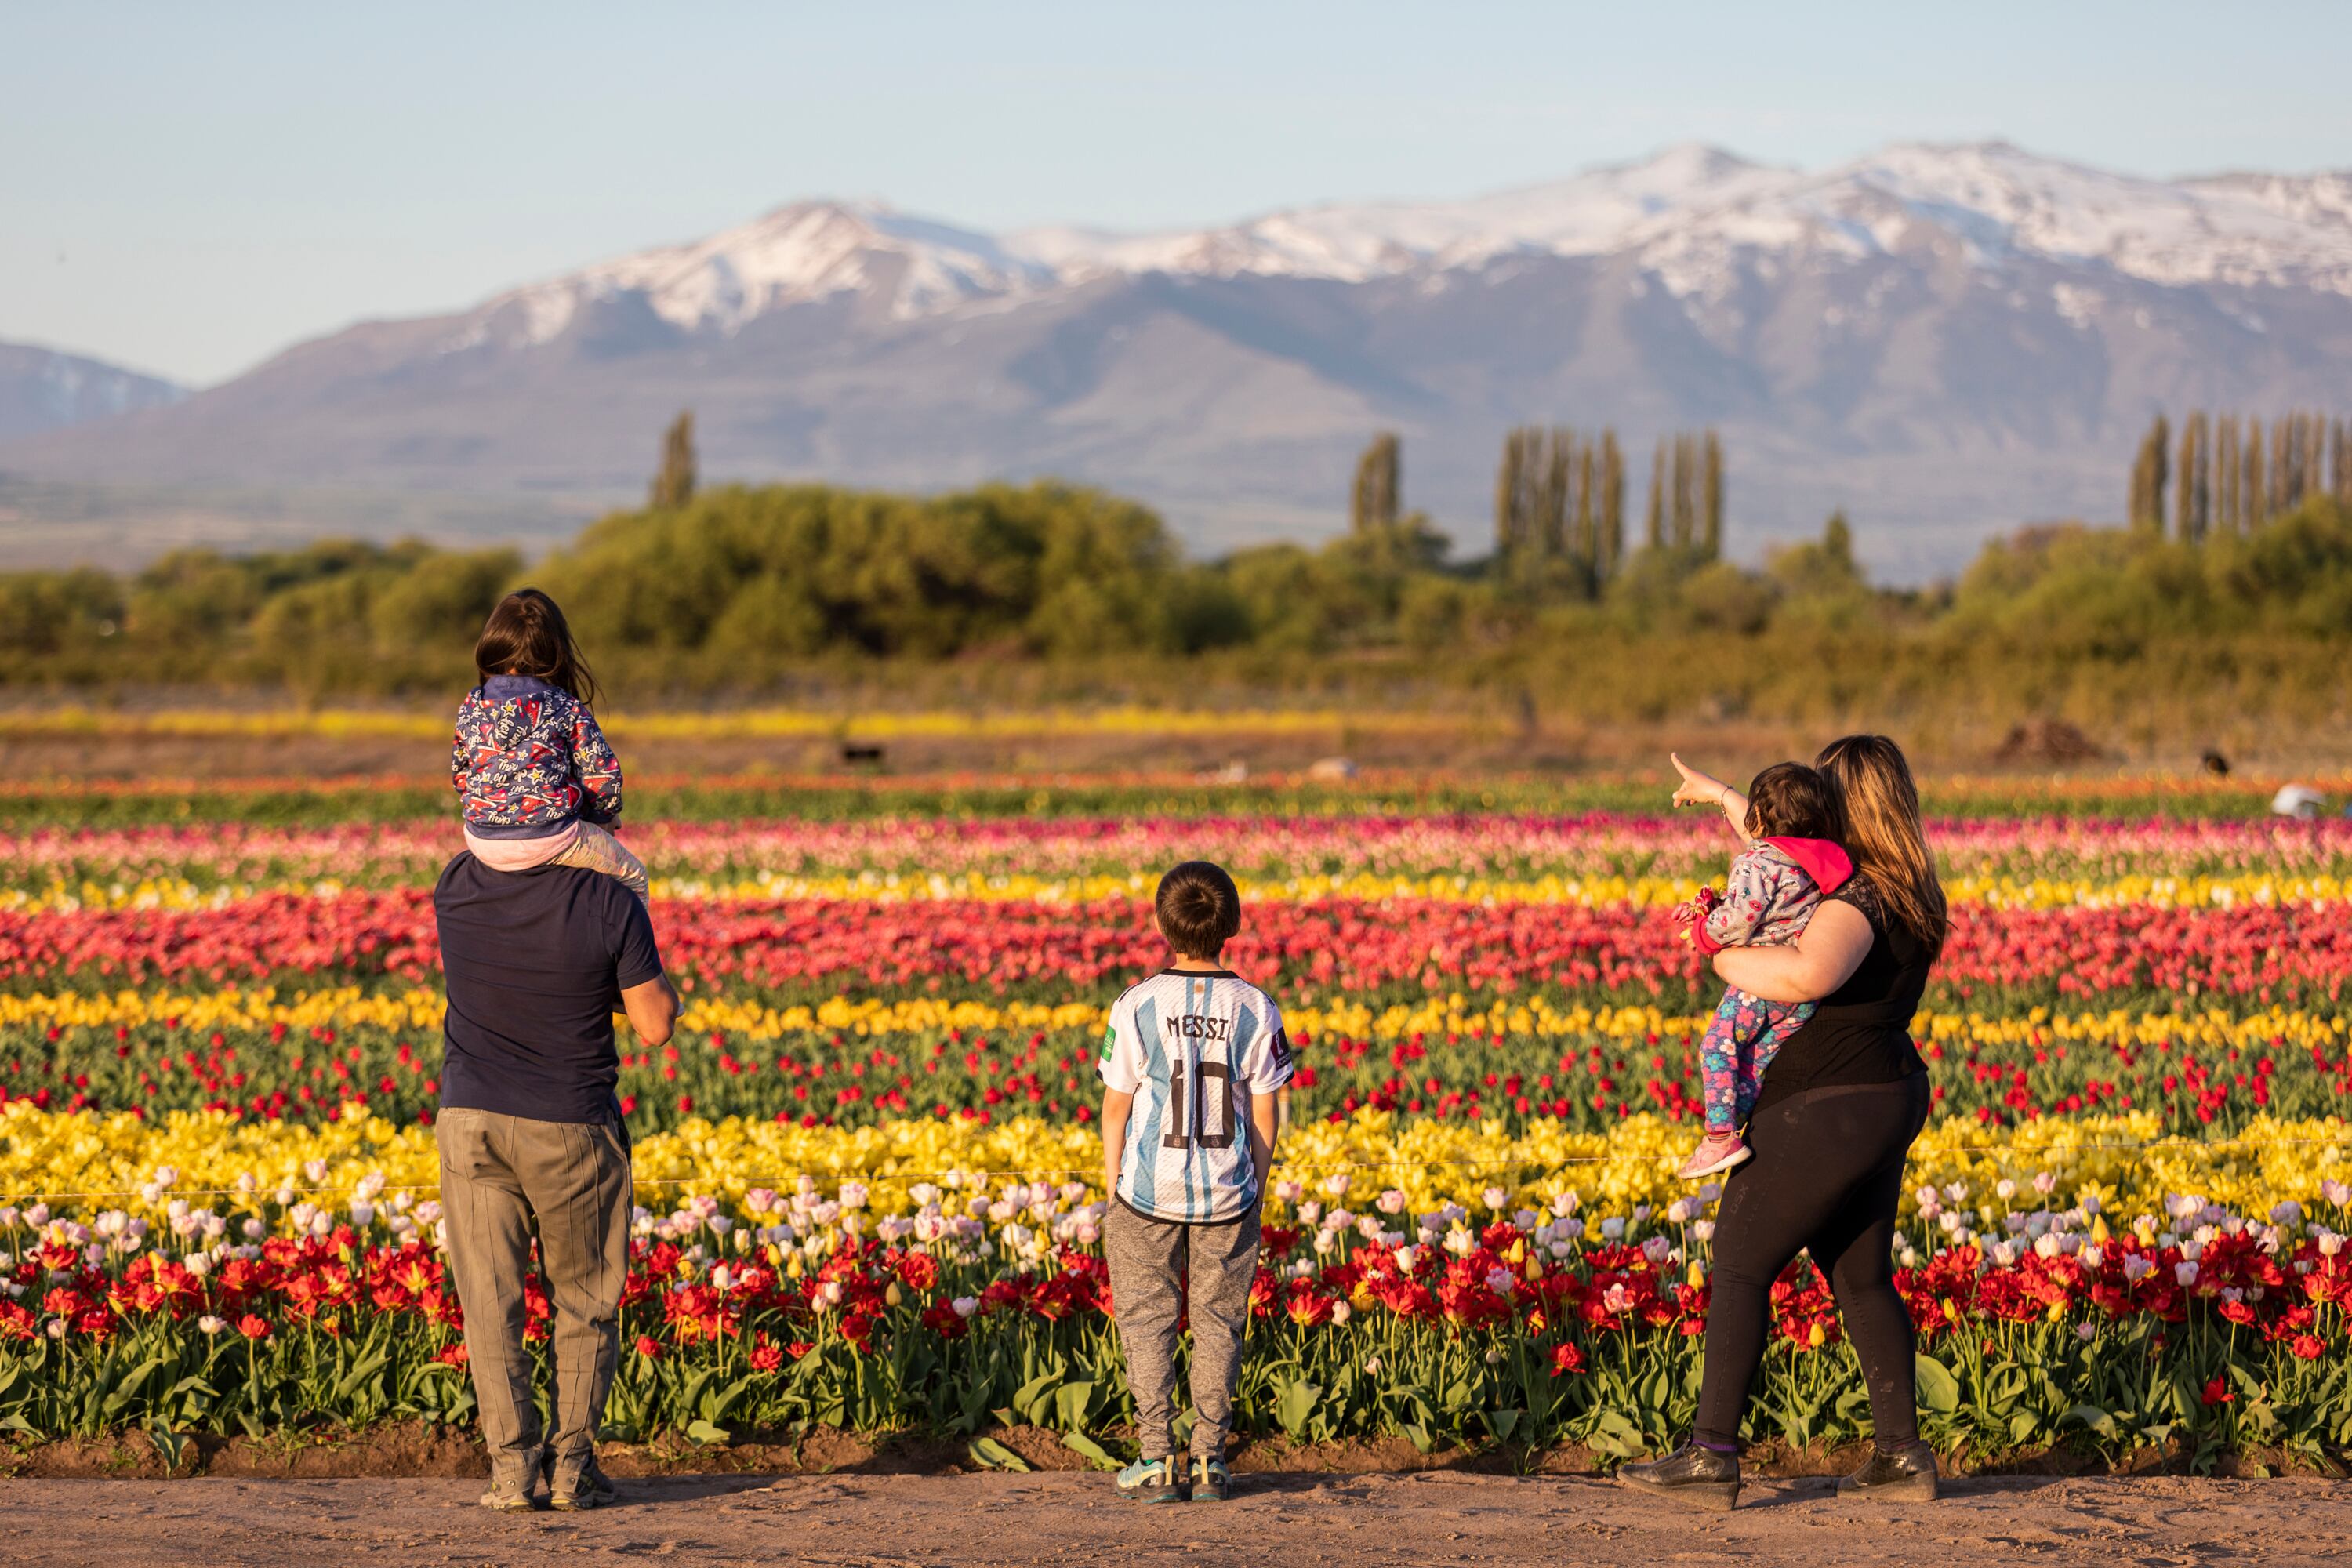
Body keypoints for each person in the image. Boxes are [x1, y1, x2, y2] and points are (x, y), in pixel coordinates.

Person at [1623, 735, 1947, 1509]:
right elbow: (1778, 850)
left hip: (1827, 1097)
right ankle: (1901, 1457)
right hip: (1885, 1088)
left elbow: (1808, 972)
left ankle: (1712, 1455)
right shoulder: (1909, 888)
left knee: (1738, 1257)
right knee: (1861, 1274)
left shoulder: (1855, 898)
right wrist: (1727, 797)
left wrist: (1719, 956)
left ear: (1848, 804)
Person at [433, 826, 681, 1512]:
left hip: (470, 1120)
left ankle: (511, 1473)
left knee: (489, 1301)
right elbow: (654, 1025)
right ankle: (572, 1471)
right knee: (582, 1300)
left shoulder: (454, 884)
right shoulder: (609, 901)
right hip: (568, 1123)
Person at [1097, 861, 1293, 1504]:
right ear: (1232, 924)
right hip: (1227, 1187)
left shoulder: (1137, 1003)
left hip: (1147, 1187)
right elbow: (1265, 1108)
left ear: (1161, 924)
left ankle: (1156, 1458)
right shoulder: (1255, 1007)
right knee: (1218, 1323)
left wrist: (1113, 1185)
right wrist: (1255, 1182)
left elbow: (1117, 1104)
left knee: (1147, 1319)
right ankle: (1210, 1460)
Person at [1670, 760, 1852, 1179]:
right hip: (1801, 997)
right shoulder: (1820, 860)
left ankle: (1719, 1138)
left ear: (1758, 818)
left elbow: (1741, 917)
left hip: (1763, 983)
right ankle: (1739, 1124)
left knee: (1717, 1046)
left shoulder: (1759, 861)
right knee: (1755, 1058)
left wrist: (1703, 930)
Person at [452, 588, 649, 903]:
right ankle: (622, 953)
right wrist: (602, 820)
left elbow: (461, 776)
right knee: (633, 878)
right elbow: (602, 778)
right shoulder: (564, 706)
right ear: (555, 651)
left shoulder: (472, 707)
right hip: (551, 837)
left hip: (481, 839)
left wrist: (493, 809)